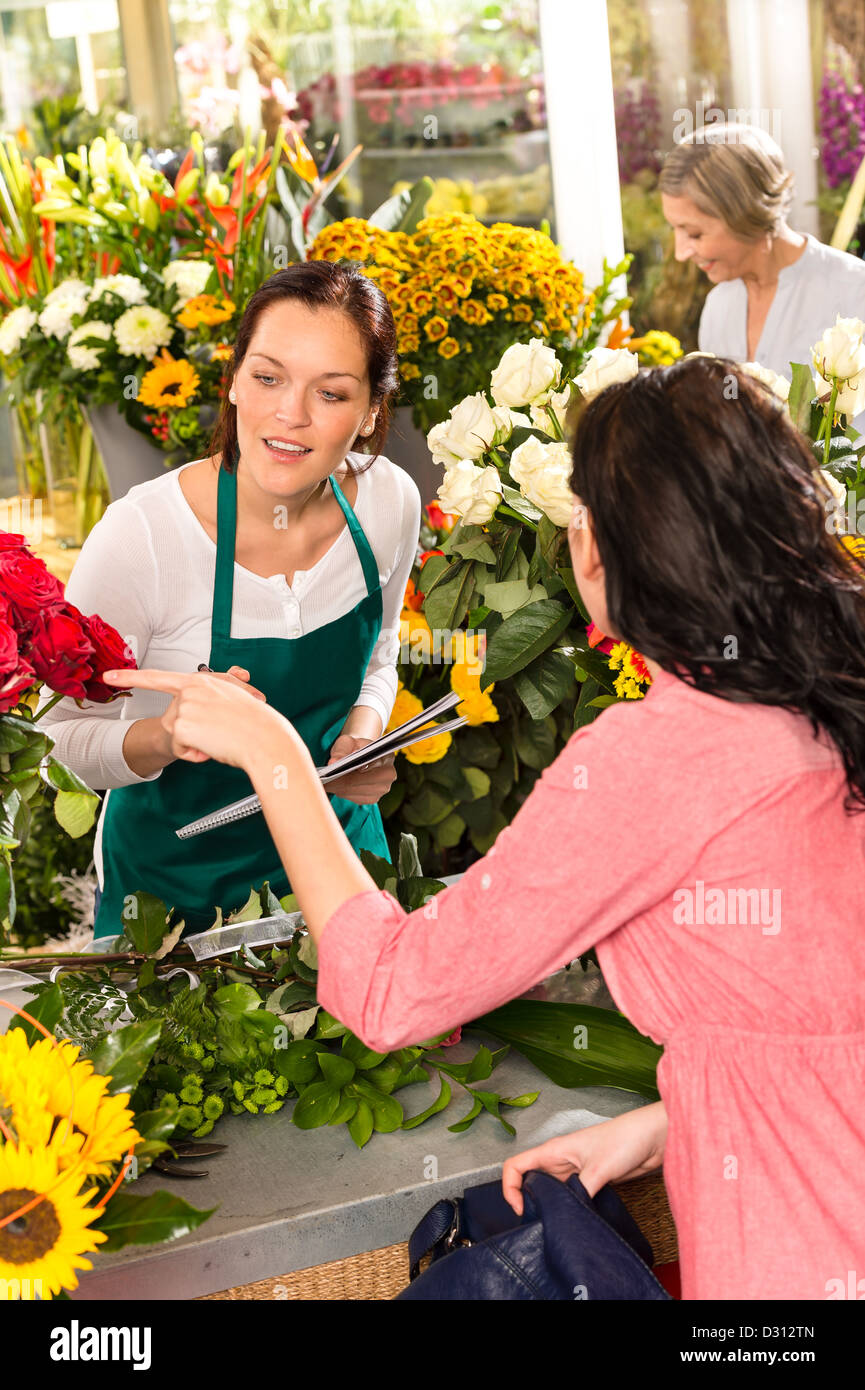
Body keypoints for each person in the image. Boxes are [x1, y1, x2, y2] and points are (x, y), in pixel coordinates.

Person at [104, 355, 865, 1301]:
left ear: (598, 548)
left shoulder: (658, 753)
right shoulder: (829, 701)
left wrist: (277, 760)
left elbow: (391, 993)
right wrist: (684, 1119)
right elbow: (816, 1015)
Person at [39, 260, 421, 938]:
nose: (290, 415)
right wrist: (163, 736)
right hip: (168, 899)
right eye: (268, 377)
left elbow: (380, 653)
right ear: (235, 383)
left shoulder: (389, 501)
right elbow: (55, 741)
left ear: (368, 414)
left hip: (337, 871)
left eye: (330, 394)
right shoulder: (145, 537)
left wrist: (362, 738)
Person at [659, 122, 865, 382]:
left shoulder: (855, 293)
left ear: (748, 213)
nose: (681, 253)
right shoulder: (718, 308)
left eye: (695, 234)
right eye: (675, 230)